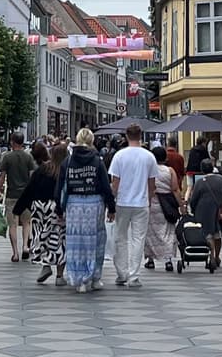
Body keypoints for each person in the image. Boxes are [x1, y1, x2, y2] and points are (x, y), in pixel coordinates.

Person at [60, 128, 115, 293]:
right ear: (91, 141)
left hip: (73, 204)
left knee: (76, 242)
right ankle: (94, 276)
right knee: (95, 241)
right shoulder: (97, 161)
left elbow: (61, 186)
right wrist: (111, 207)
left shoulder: (68, 162)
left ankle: (78, 278)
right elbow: (106, 186)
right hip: (94, 204)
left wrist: (59, 207)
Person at [108, 123, 157, 288]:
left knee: (120, 237)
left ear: (126, 136)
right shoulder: (149, 157)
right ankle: (134, 275)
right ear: (141, 135)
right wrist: (148, 199)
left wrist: (111, 202)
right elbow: (152, 184)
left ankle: (121, 273)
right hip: (141, 202)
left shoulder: (119, 156)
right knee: (138, 239)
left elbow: (115, 183)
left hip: (122, 202)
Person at [13, 142, 66, 285]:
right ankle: (60, 276)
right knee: (59, 240)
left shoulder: (42, 169)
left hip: (39, 209)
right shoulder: (65, 171)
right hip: (56, 209)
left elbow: (29, 190)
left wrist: (18, 209)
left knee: (42, 237)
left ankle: (46, 266)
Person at [0, 130, 37, 263]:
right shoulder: (29, 157)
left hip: (12, 195)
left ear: (12, 142)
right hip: (26, 196)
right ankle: (25, 246)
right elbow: (33, 176)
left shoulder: (7, 157)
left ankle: (15, 253)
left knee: (13, 225)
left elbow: (2, 177)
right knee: (27, 222)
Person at [147, 139, 184, 272]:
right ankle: (168, 260)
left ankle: (150, 259)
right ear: (165, 157)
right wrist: (182, 206)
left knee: (150, 232)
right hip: (166, 205)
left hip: (152, 204)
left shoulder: (149, 170)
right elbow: (175, 189)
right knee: (168, 231)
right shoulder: (170, 171)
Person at [188, 157, 222, 271]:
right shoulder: (221, 179)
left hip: (204, 210)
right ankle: (217, 256)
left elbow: (194, 199)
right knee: (217, 233)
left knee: (208, 234)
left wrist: (192, 209)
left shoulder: (200, 182)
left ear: (202, 169)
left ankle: (211, 257)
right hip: (219, 209)